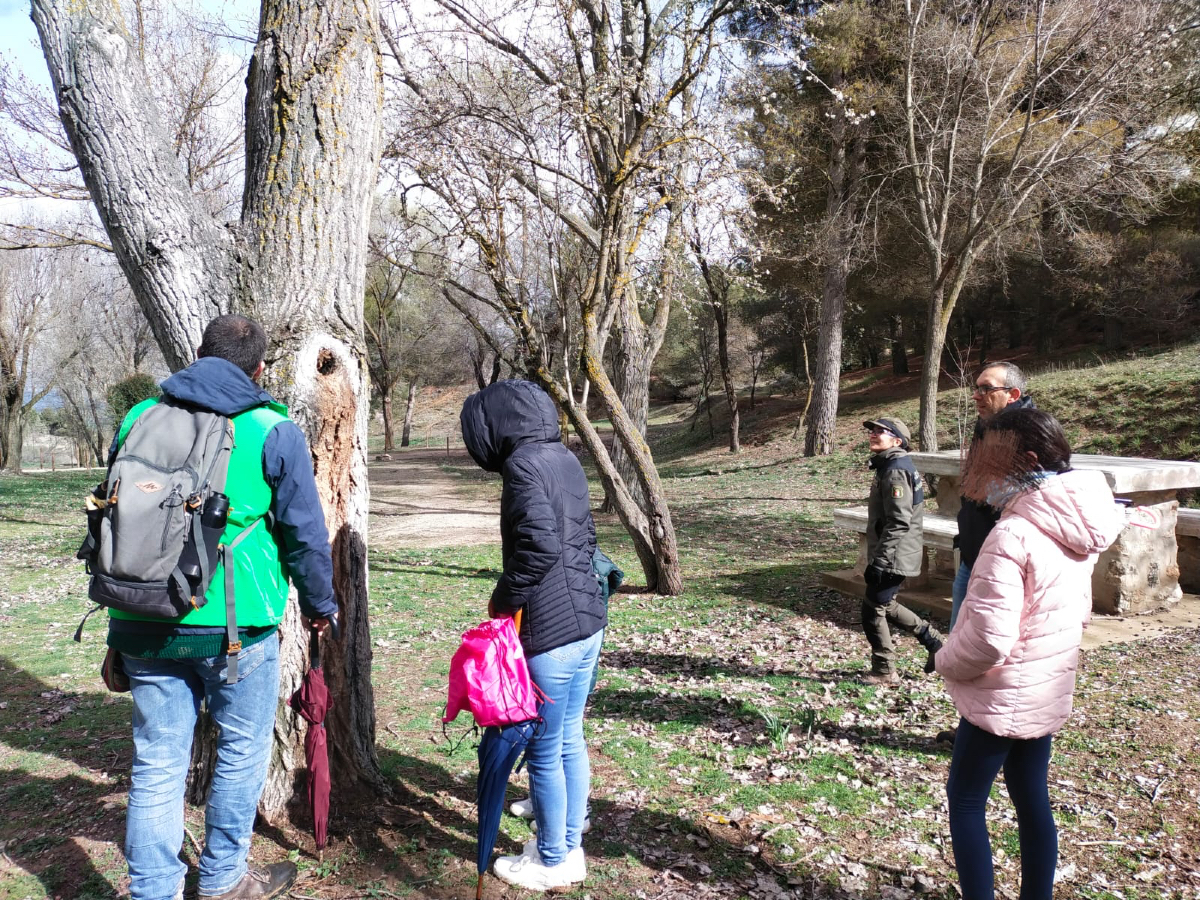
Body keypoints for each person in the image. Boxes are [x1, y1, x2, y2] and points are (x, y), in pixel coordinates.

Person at [108, 315, 338, 900]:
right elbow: (305, 533)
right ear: (259, 370)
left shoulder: (139, 417)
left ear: (196, 355)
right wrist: (320, 605)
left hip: (141, 617)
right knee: (239, 750)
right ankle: (223, 880)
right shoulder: (270, 428)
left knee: (158, 760)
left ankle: (154, 889)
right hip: (235, 627)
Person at [934, 408, 1124, 900]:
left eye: (991, 461)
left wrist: (945, 659)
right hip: (1046, 683)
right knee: (1032, 798)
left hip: (1001, 693)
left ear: (1030, 461)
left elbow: (989, 639)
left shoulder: (1013, 533)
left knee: (967, 798)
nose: (981, 474)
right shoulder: (1077, 520)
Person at [460, 380, 607, 892]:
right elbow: (584, 539)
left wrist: (503, 601)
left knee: (546, 749)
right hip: (588, 624)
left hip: (552, 633)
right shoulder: (561, 456)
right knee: (568, 737)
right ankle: (568, 843)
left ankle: (551, 859)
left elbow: (538, 548)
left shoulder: (524, 466)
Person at [860, 416, 943, 684]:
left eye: (881, 431)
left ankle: (885, 671)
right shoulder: (889, 465)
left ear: (897, 441)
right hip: (894, 551)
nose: (874, 434)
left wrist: (880, 561)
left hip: (895, 554)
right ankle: (935, 642)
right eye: (872, 431)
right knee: (883, 603)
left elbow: (898, 521)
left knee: (873, 610)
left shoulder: (896, 469)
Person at [953, 362, 1035, 630]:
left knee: (990, 642)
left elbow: (1033, 502)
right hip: (971, 551)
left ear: (1013, 394)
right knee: (959, 638)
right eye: (976, 388)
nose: (976, 395)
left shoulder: (1032, 433)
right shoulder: (986, 424)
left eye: (986, 389)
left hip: (1002, 562)